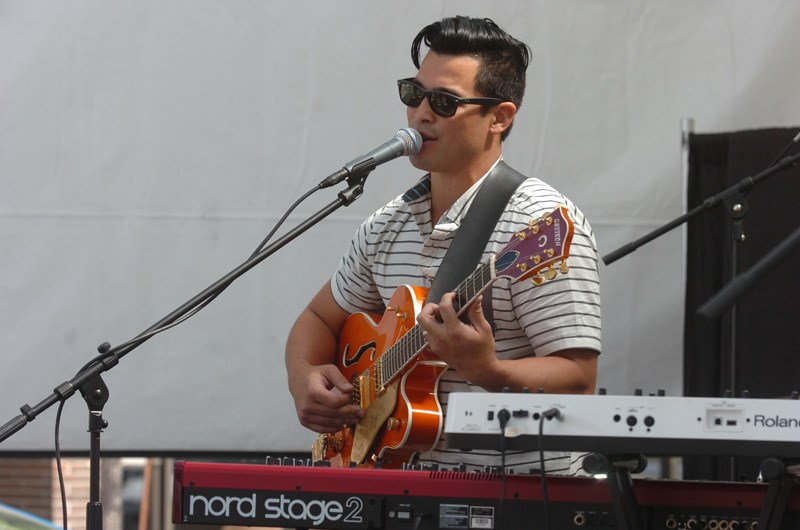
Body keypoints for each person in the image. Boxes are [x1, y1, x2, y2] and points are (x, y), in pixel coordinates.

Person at [285, 15, 601, 474]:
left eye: (445, 102)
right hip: (398, 489)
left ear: (500, 117)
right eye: (414, 95)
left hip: (514, 497)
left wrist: (490, 371)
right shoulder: (386, 225)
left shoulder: (542, 224)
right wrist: (304, 378)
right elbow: (317, 318)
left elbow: (579, 378)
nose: (421, 114)